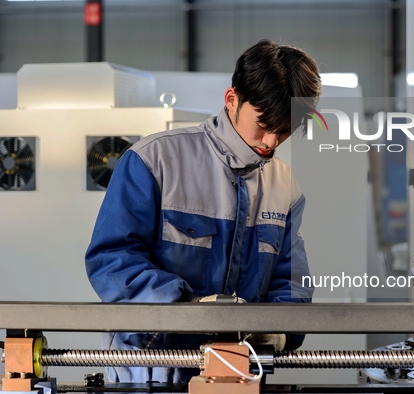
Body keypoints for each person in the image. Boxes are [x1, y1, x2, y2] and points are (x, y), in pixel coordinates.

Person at [85, 38, 321, 383]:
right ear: (232, 100)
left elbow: (291, 280)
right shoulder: (155, 162)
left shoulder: (284, 186)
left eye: (284, 131)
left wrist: (280, 331)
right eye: (264, 124)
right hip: (152, 375)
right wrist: (191, 311)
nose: (270, 142)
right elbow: (111, 260)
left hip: (238, 376)